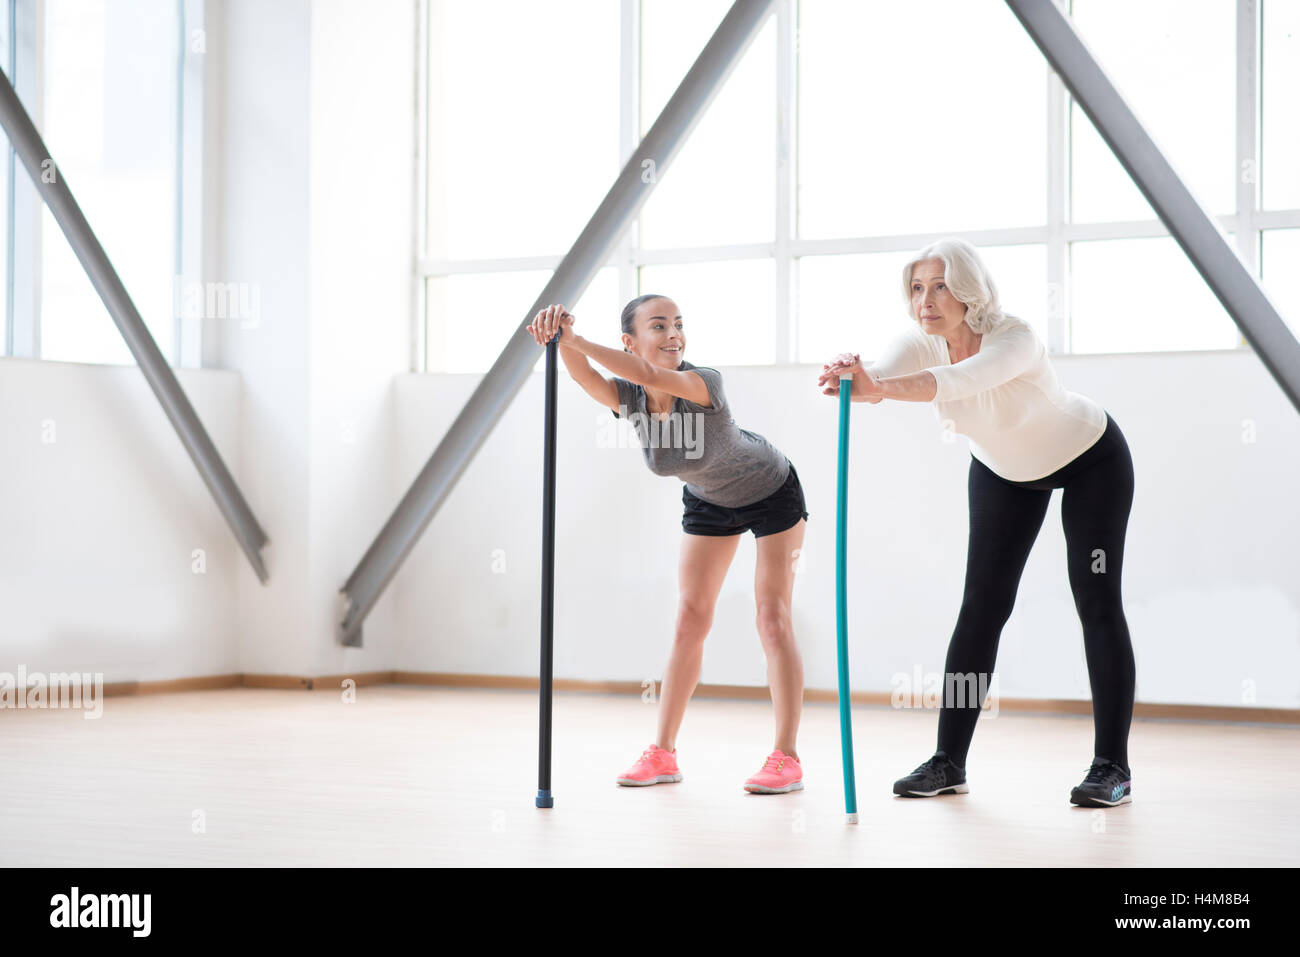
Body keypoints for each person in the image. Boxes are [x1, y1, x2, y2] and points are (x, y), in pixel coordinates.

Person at [816, 237, 1137, 808]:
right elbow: (884, 371)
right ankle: (948, 762)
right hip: (1003, 472)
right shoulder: (922, 342)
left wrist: (879, 389)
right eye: (917, 288)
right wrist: (856, 376)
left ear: (969, 288)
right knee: (982, 607)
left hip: (1091, 460)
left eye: (939, 286)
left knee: (1095, 600)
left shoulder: (1014, 337)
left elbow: (960, 382)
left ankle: (1112, 767)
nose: (926, 300)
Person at [526, 295, 809, 795]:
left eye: (679, 324)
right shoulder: (631, 397)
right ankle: (662, 752)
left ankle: (786, 757)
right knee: (690, 619)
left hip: (771, 489)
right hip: (708, 500)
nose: (675, 333)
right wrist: (562, 335)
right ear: (631, 341)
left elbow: (651, 375)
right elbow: (584, 377)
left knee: (771, 616)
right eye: (659, 326)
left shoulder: (703, 382)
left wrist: (577, 341)